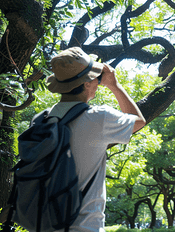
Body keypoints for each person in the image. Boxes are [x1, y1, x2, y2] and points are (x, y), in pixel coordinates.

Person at [46, 47, 146, 231]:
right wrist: (114, 85)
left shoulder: (42, 119)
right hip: (83, 226)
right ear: (86, 83)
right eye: (94, 77)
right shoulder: (98, 117)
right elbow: (139, 121)